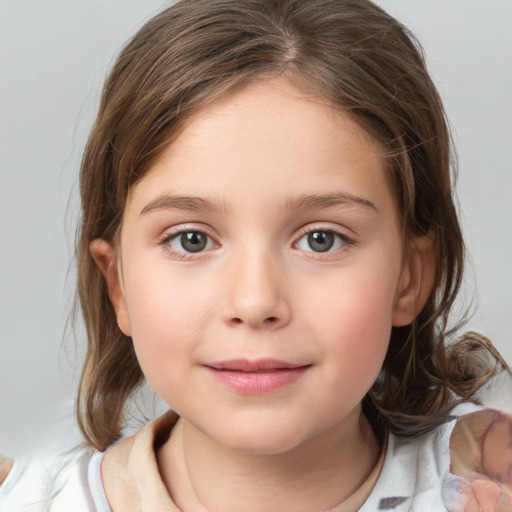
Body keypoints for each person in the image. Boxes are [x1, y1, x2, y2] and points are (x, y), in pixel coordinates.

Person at [1, 0, 511, 510]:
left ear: (409, 277)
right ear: (119, 285)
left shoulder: (486, 487)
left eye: (321, 239)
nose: (254, 301)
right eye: (191, 239)